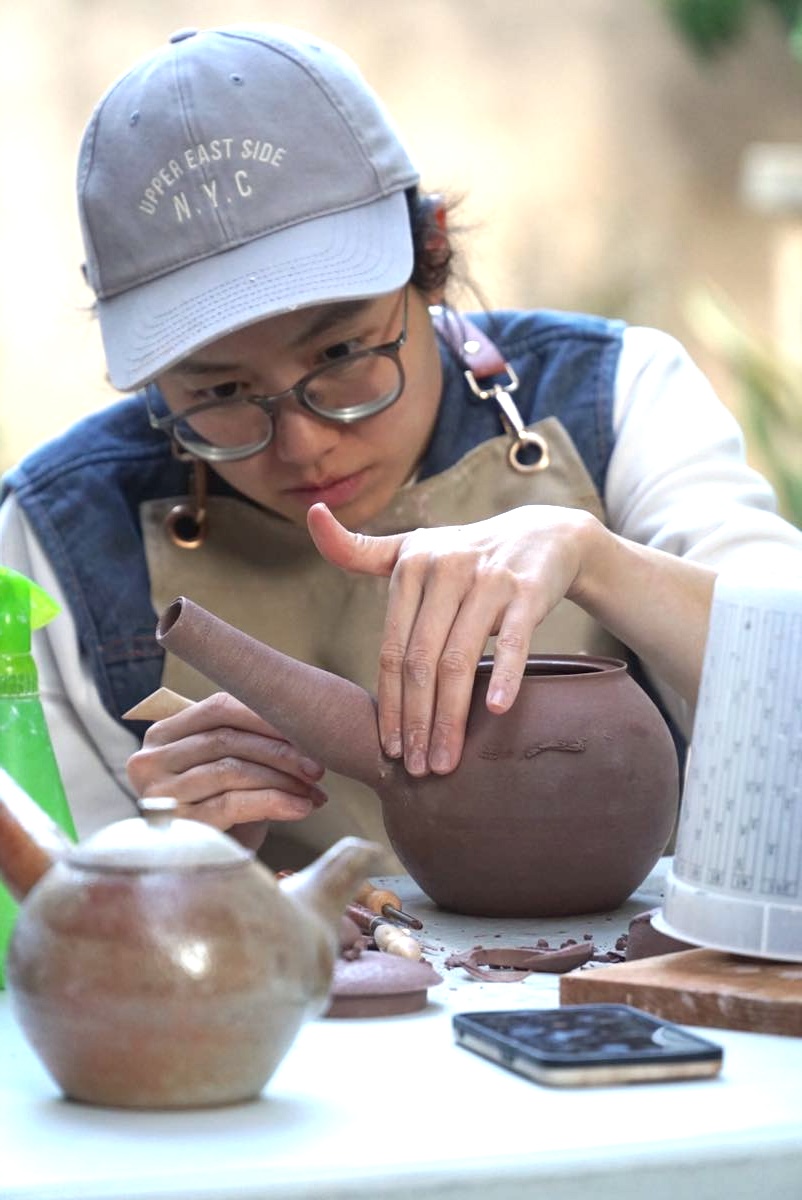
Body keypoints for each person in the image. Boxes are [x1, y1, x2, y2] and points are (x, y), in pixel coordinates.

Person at [1, 25, 800, 870]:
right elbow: (56, 924)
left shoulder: (622, 393)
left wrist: (598, 562)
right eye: (219, 393)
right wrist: (169, 864)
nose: (303, 446)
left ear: (431, 258)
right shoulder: (56, 534)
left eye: (341, 355)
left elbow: (786, 676)